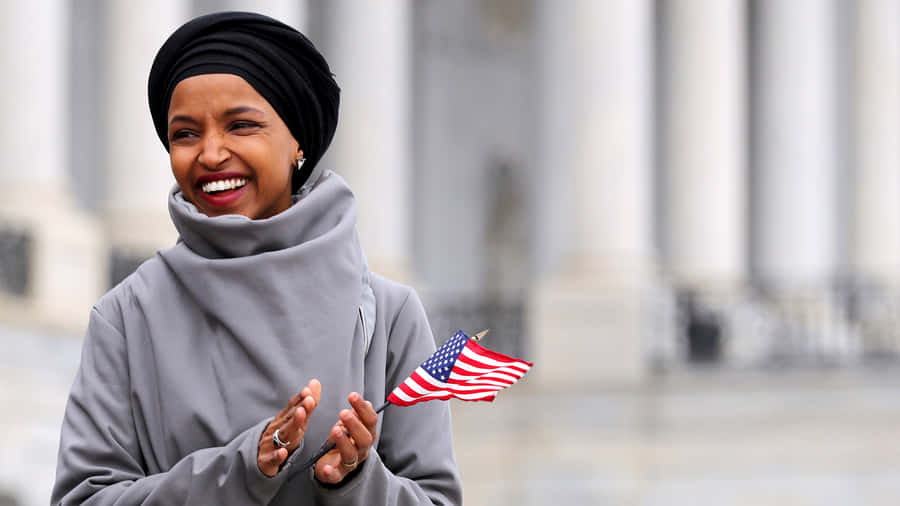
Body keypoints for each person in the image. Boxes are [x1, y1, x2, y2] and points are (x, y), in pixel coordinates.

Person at [51, 11, 462, 505]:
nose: (209, 154)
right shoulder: (127, 315)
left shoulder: (389, 317)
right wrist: (239, 470)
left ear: (298, 144)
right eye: (184, 134)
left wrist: (354, 481)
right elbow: (84, 498)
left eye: (241, 125)